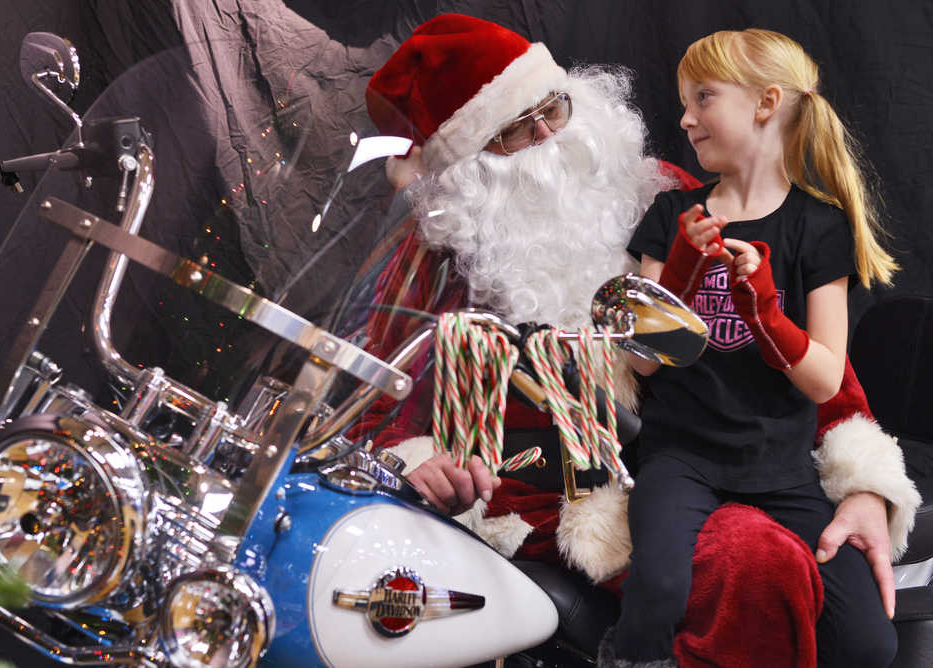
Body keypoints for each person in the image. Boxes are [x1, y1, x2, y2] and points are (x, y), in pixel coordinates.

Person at [360, 14, 919, 667]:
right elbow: (376, 404)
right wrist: (419, 461)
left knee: (854, 632)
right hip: (554, 492)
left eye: (554, 107)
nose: (549, 136)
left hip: (722, 459)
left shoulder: (672, 200)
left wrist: (865, 487)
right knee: (751, 560)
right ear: (465, 169)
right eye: (515, 129)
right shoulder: (435, 260)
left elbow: (797, 356)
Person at [605, 28, 905, 667]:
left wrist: (766, 311)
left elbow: (825, 381)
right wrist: (682, 269)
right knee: (657, 589)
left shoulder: (818, 226)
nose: (685, 118)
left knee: (869, 643)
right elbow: (636, 360)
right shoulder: (671, 214)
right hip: (679, 457)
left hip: (782, 467)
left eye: (703, 97)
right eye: (684, 101)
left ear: (766, 103)